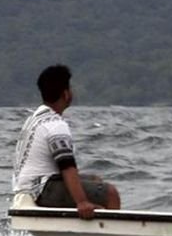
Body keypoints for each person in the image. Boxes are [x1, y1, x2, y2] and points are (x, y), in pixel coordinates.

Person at [11, 64, 120, 220]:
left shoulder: (34, 119)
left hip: (25, 189)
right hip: (40, 191)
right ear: (66, 94)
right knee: (110, 193)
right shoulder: (56, 125)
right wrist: (82, 202)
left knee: (95, 181)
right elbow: (66, 166)